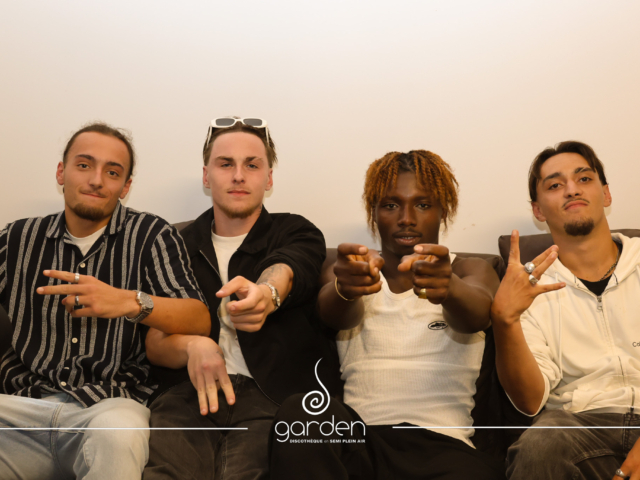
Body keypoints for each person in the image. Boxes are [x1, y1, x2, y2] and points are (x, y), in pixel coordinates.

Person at [270, 150, 505, 480]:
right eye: (391, 205)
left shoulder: (471, 269)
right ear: (374, 212)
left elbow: (478, 315)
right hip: (362, 445)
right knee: (301, 413)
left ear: (443, 211)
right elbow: (334, 315)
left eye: (423, 204)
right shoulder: (350, 268)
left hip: (445, 448)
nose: (406, 218)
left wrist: (449, 288)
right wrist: (347, 290)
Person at [0, 123, 210, 480]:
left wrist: (130, 302)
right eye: (84, 165)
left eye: (112, 172)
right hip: (21, 410)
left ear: (125, 186)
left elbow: (199, 318)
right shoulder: (18, 238)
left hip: (109, 408)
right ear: (61, 172)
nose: (96, 180)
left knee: (118, 434)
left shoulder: (151, 235)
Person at [143, 117, 342, 479]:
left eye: (252, 165)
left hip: (273, 398)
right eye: (225, 164)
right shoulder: (172, 244)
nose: (238, 176)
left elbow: (287, 267)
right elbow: (154, 342)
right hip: (187, 396)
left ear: (269, 179)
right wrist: (193, 346)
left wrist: (266, 294)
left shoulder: (295, 230)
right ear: (206, 177)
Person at [491, 140, 640, 480]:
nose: (572, 189)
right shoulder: (526, 287)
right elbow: (530, 402)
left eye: (584, 179)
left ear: (606, 194)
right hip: (578, 424)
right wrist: (505, 320)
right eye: (555, 185)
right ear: (538, 211)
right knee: (540, 445)